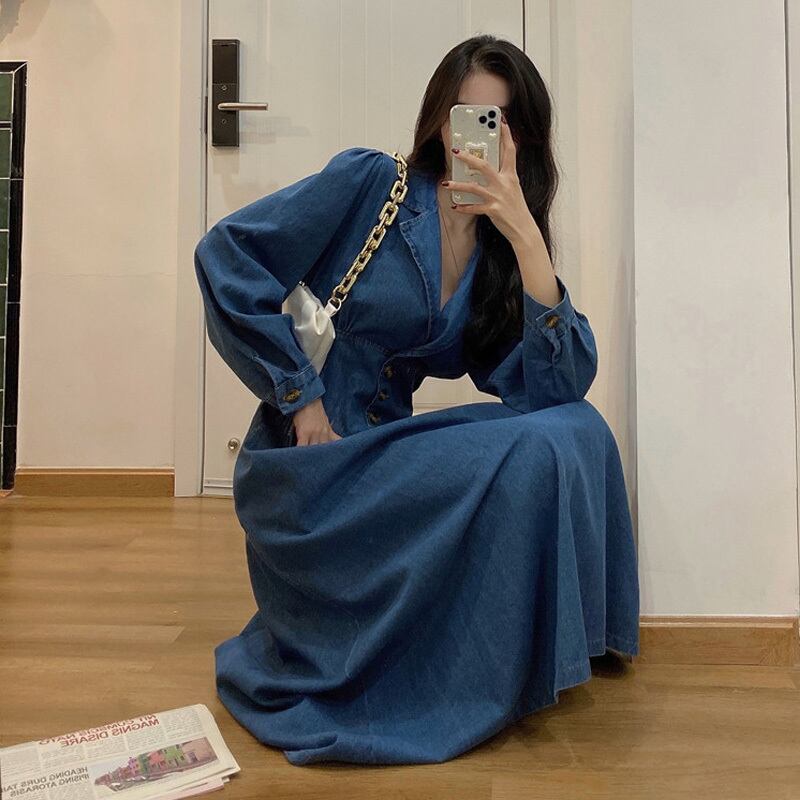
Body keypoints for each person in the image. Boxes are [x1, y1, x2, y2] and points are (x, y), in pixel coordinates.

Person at [193, 34, 640, 767]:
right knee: (532, 448)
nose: (478, 140)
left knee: (578, 427)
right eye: (467, 116)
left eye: (500, 122)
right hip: (311, 464)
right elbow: (226, 255)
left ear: (524, 139)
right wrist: (301, 397)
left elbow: (555, 388)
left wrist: (526, 237)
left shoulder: (497, 252)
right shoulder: (373, 185)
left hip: (382, 457)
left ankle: (575, 642)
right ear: (439, 118)